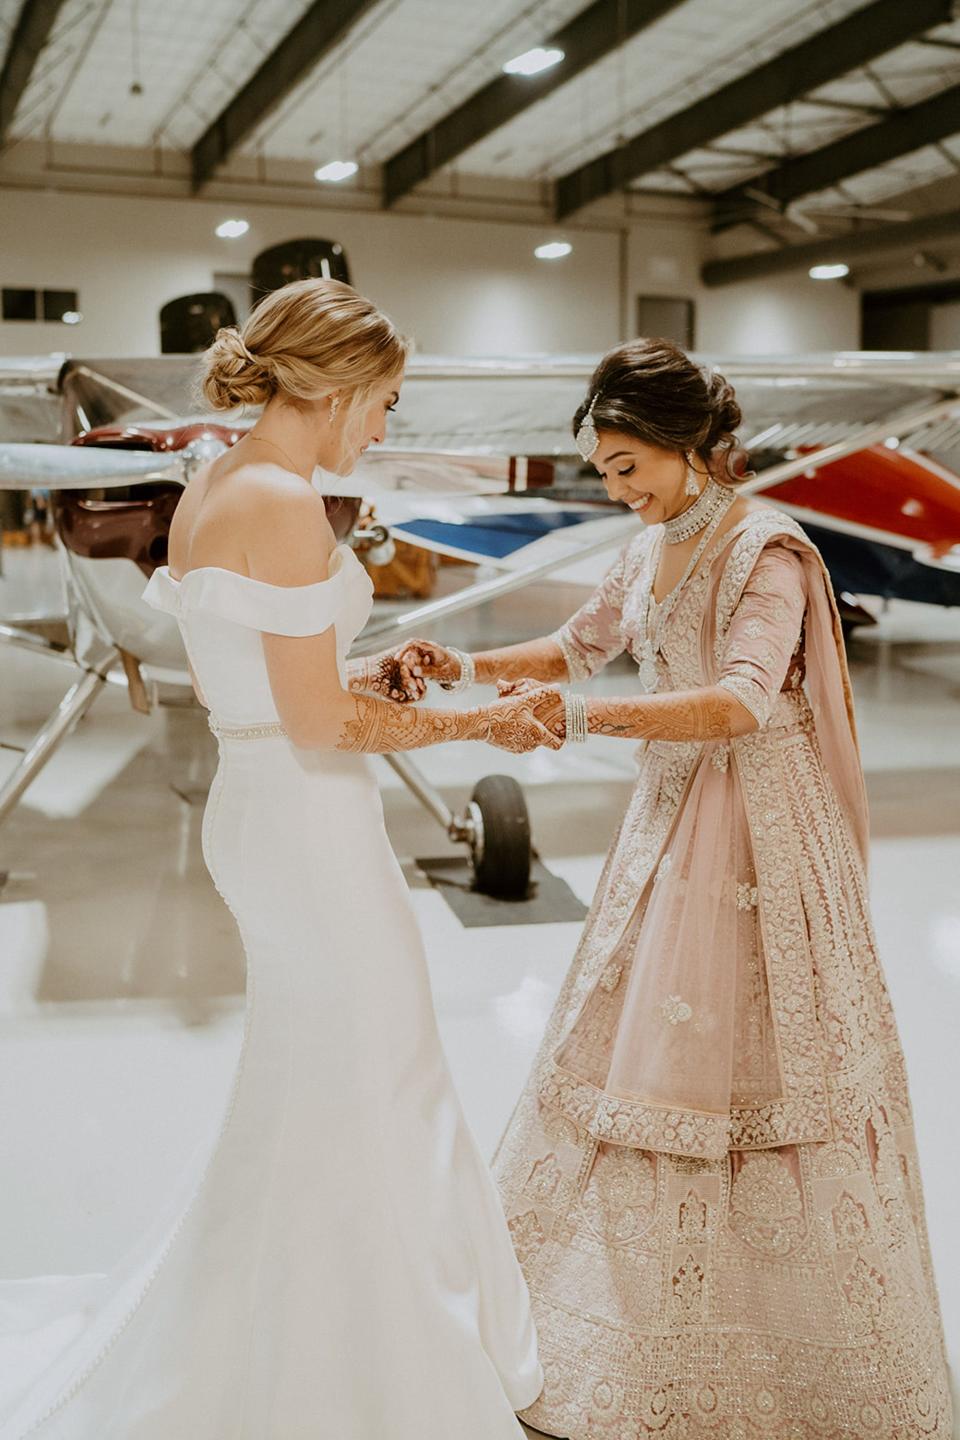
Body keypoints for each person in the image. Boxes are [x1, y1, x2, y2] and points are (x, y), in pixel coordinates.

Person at [0, 278, 559, 1439]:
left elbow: (246, 687)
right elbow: (315, 726)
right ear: (336, 384)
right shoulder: (284, 502)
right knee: (381, 1072)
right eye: (386, 403)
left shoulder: (216, 481)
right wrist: (477, 721)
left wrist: (365, 678)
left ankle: (312, 1317)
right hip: (310, 823)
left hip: (266, 808)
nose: (385, 429)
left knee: (328, 1075)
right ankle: (368, 1350)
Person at [399, 339, 953, 1439]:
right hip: (671, 819)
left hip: (761, 827)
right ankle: (637, 1316)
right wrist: (461, 664)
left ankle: (783, 1349)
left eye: (628, 464)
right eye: (605, 470)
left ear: (694, 443)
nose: (619, 489)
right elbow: (582, 643)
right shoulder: (653, 543)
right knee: (641, 1046)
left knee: (763, 1064)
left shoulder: (769, 551)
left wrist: (577, 721)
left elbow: (744, 702)